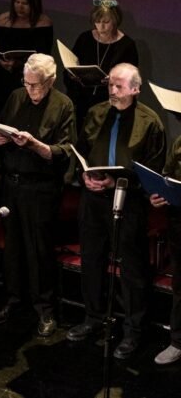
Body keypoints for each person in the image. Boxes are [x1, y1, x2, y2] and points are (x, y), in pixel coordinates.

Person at [66, 63, 165, 359]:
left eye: (119, 86)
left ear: (136, 89)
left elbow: (154, 171)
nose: (112, 90)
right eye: (110, 85)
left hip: (128, 200)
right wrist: (83, 176)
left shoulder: (150, 122)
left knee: (132, 268)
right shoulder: (97, 113)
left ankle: (134, 331)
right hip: (94, 199)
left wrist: (119, 181)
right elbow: (81, 150)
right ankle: (94, 318)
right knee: (92, 259)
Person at [0, 54, 75, 337]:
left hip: (41, 189)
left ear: (50, 82)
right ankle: (13, 299)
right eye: (27, 84)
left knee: (39, 250)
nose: (31, 90)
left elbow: (65, 152)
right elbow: (1, 129)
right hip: (12, 185)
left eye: (36, 85)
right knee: (12, 247)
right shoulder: (16, 97)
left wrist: (35, 145)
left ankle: (45, 309)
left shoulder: (63, 105)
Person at [0, 0, 54, 117]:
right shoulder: (2, 20)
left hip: (28, 84)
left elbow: (45, 58)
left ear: (34, 4)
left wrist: (17, 64)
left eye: (25, 3)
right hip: (2, 83)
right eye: (16, 2)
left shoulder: (43, 23)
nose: (19, 7)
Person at [65, 0, 139, 128]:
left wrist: (113, 81)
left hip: (110, 105)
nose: (101, 27)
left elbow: (132, 80)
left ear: (115, 21)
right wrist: (72, 74)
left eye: (106, 22)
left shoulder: (126, 46)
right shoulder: (85, 38)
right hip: (82, 102)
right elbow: (71, 65)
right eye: (97, 22)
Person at [149, 134, 181, 364]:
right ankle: (178, 342)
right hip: (178, 221)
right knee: (180, 284)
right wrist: (158, 193)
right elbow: (168, 174)